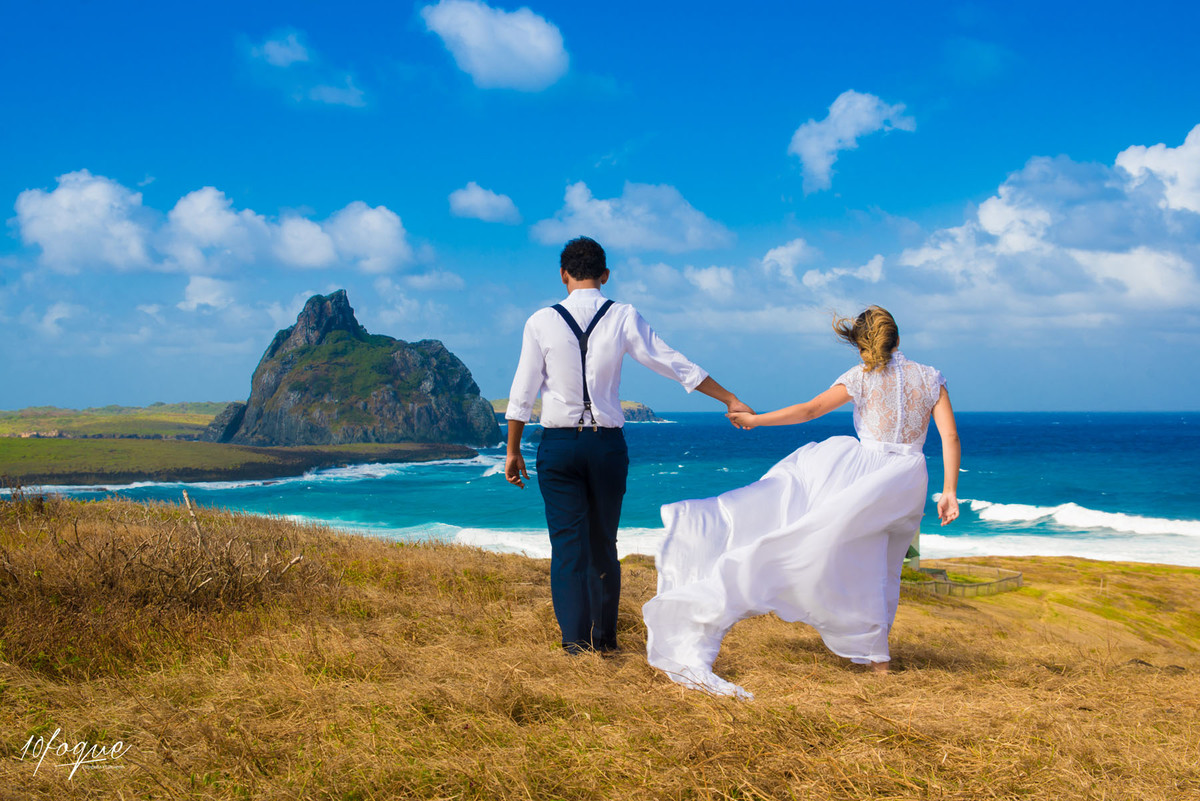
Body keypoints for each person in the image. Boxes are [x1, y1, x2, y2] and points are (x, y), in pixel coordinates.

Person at [642, 305, 960, 698]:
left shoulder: (861, 377)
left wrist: (755, 419)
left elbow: (810, 411)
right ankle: (877, 658)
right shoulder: (930, 378)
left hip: (867, 473)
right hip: (909, 478)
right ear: (897, 337)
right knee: (885, 567)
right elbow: (949, 438)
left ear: (861, 342)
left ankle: (868, 648)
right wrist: (949, 492)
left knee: (838, 551)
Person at [504, 236, 751, 655]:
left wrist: (512, 451)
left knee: (567, 547)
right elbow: (671, 361)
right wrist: (728, 398)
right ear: (604, 275)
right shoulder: (622, 315)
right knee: (604, 543)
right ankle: (605, 642)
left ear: (563, 274)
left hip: (559, 447)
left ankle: (574, 646)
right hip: (606, 447)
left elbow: (522, 392)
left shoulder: (540, 321)